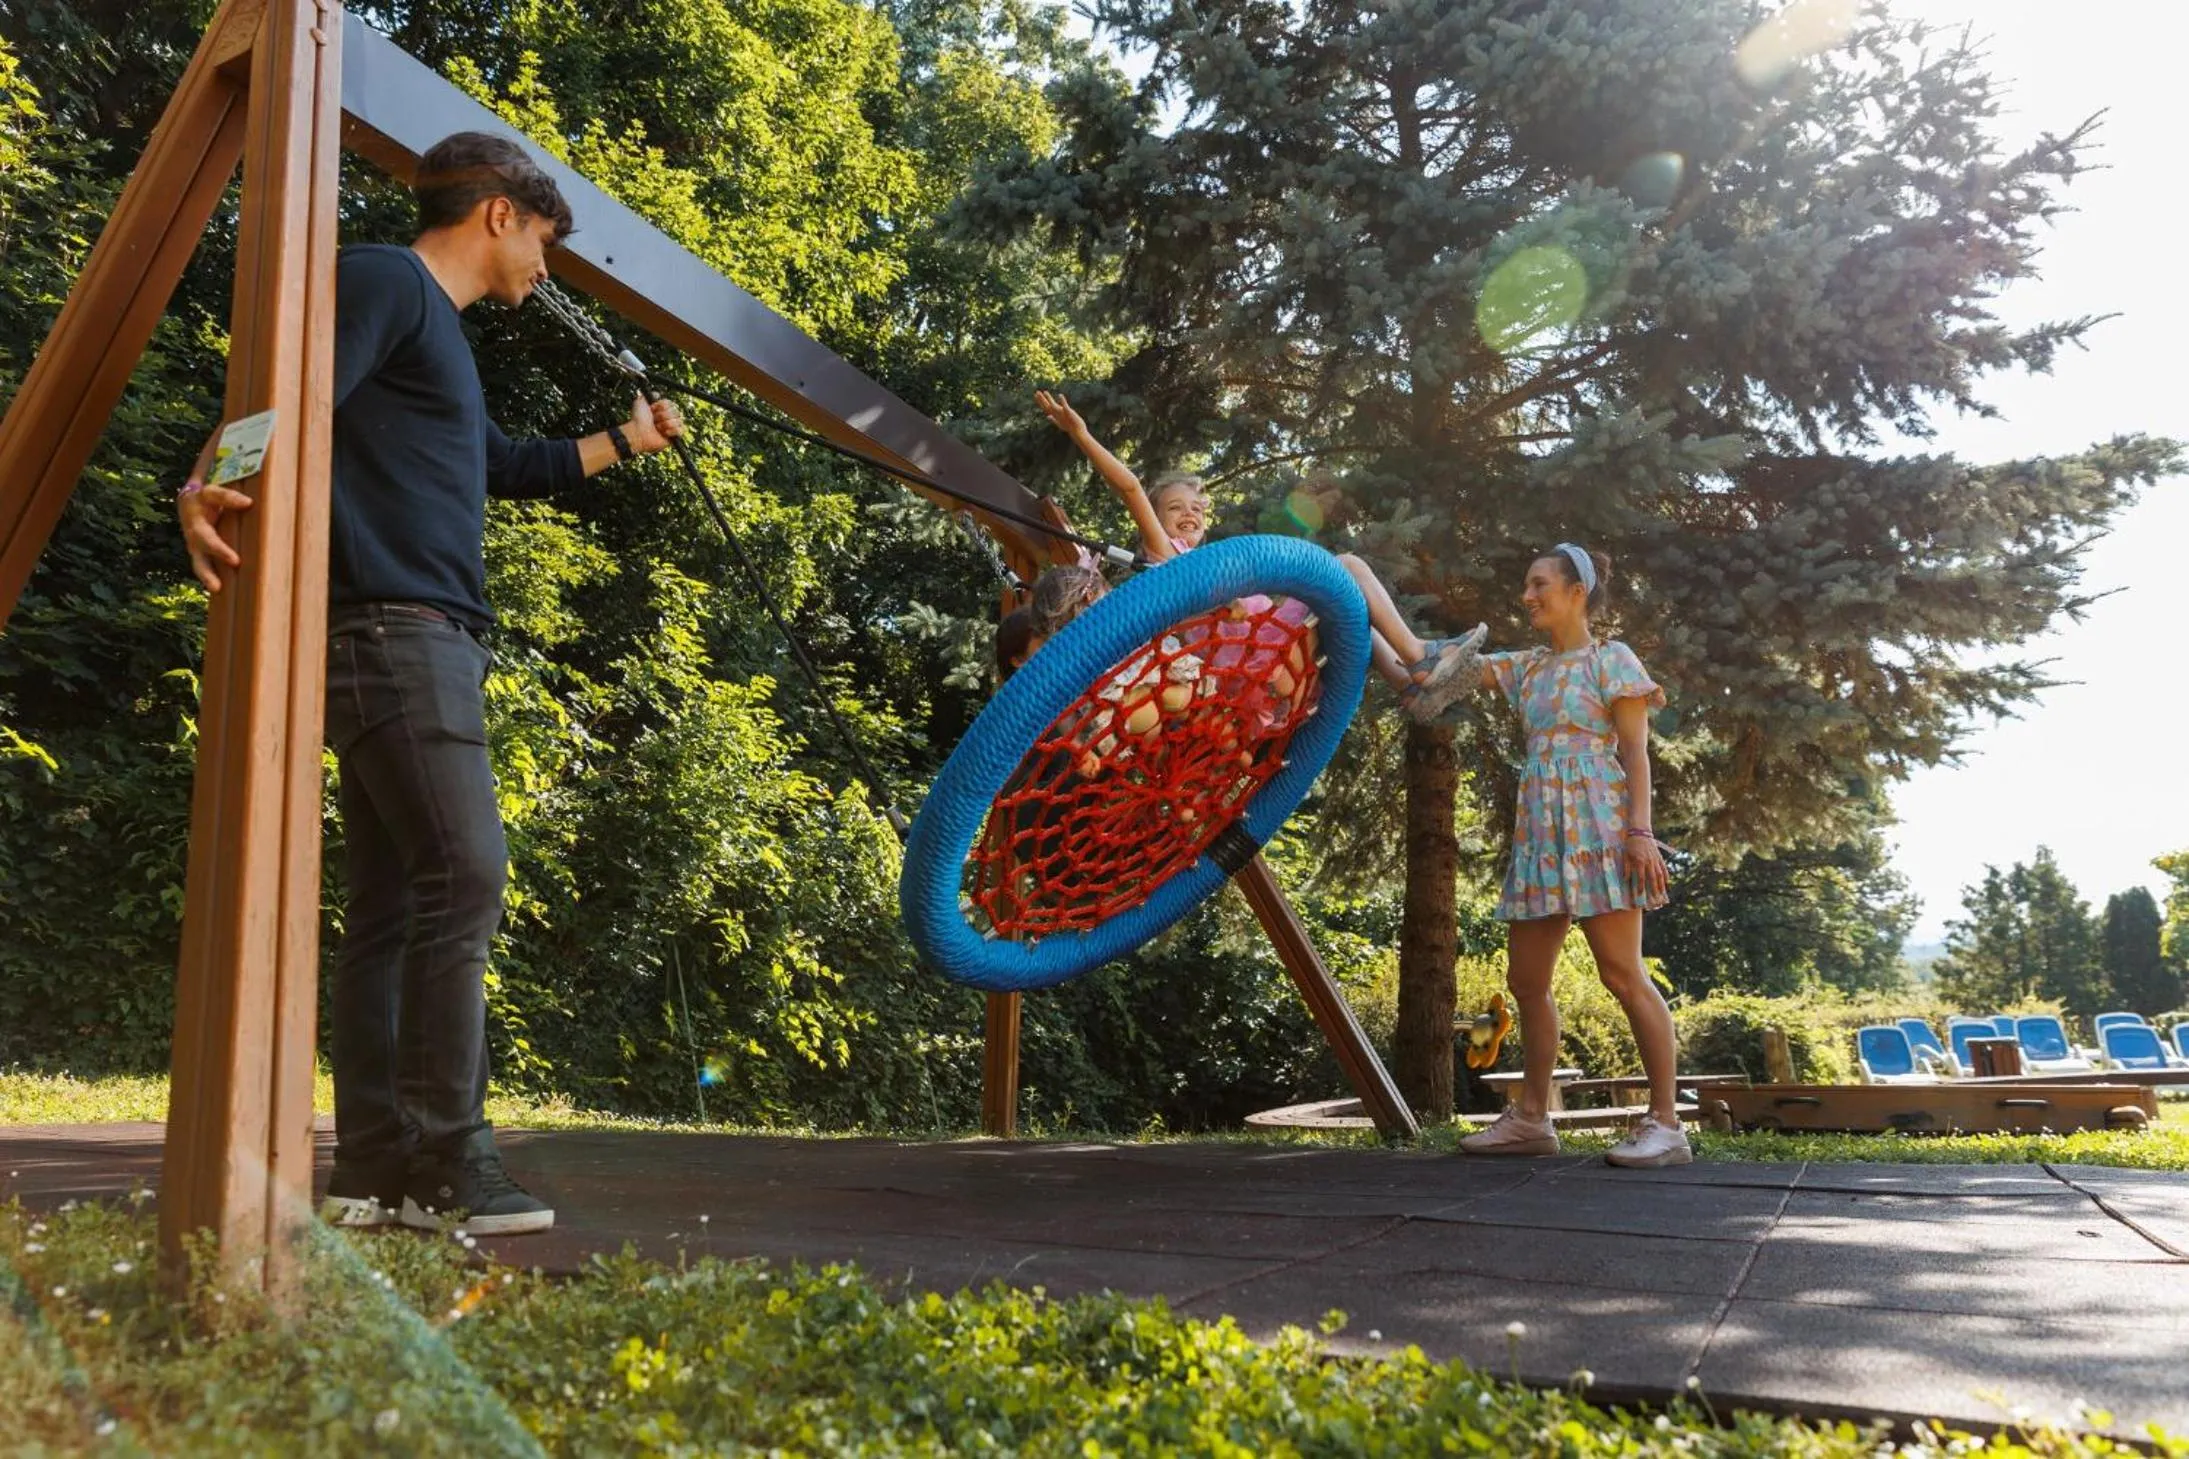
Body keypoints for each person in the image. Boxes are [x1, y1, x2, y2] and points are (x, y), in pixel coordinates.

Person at [176, 132, 686, 1234]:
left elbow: (501, 466)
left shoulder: (434, 336)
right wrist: (212, 480)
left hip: (406, 635)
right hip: (398, 632)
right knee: (467, 875)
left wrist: (626, 441)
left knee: (395, 906)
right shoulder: (386, 280)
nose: (545, 271)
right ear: (499, 213)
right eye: (545, 242)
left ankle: (372, 1168)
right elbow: (291, 388)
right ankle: (451, 1161)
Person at [1034, 389, 1485, 720]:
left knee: (1350, 607)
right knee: (1348, 567)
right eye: (1174, 509)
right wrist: (1082, 434)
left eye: (1195, 509)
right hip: (1248, 663)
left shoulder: (1215, 563)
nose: (1188, 516)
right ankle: (1418, 654)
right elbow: (1130, 486)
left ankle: (1411, 685)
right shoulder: (1163, 558)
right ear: (1155, 518)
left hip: (1258, 656)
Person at [1452, 545, 1687, 1168]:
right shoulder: (1526, 667)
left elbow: (1635, 753)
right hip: (1540, 835)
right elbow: (1434, 666)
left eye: (1539, 584)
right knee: (1525, 981)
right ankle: (1531, 1118)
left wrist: (1639, 832)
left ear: (1576, 591)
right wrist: (1359, 600)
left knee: (1621, 974)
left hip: (1601, 828)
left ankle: (1666, 1123)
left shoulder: (1612, 660)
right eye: (1526, 585)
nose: (1527, 596)